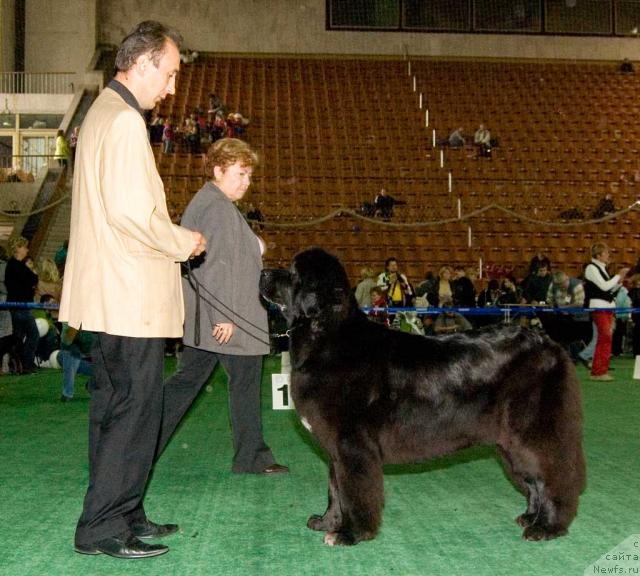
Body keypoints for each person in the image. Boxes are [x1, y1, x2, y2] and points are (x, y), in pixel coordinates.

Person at [59, 21, 206, 560]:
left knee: (113, 409)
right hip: (131, 297)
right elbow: (130, 215)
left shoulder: (101, 113)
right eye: (167, 74)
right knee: (134, 413)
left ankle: (122, 512)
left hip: (109, 296)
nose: (170, 88)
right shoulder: (123, 122)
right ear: (141, 63)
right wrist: (182, 240)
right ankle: (101, 527)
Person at [158, 138, 287, 476]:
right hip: (228, 319)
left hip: (222, 316)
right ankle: (250, 457)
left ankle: (250, 456)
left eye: (249, 175)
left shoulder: (217, 204)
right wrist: (226, 316)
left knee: (189, 382)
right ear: (218, 170)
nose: (247, 181)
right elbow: (217, 266)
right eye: (240, 173)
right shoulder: (216, 207)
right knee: (225, 385)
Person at [582, 243, 628, 381]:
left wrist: (619, 281)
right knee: (605, 337)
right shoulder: (591, 268)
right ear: (598, 255)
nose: (609, 256)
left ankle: (600, 370)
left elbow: (610, 290)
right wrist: (617, 276)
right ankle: (598, 371)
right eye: (606, 253)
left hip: (607, 307)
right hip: (599, 306)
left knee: (605, 338)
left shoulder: (602, 269)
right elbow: (604, 286)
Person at [5, 236, 39, 373]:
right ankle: (27, 363)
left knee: (18, 337)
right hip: (21, 307)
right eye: (24, 247)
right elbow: (33, 279)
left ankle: (17, 364)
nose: (27, 250)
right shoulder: (17, 266)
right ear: (18, 248)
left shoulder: (12, 266)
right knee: (33, 334)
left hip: (16, 307)